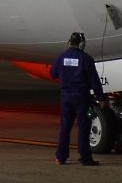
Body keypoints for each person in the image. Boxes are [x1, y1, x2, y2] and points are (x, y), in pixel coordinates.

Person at [50, 32, 105, 166]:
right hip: (82, 98)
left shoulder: (61, 57)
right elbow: (94, 81)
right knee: (83, 127)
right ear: (81, 44)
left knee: (65, 127)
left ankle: (61, 157)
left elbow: (53, 74)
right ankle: (85, 157)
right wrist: (101, 98)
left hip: (66, 97)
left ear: (69, 43)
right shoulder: (85, 59)